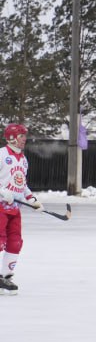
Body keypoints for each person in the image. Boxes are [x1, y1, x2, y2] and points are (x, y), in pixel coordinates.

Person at [0, 123, 43, 294]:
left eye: (24, 136)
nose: (24, 139)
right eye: (21, 136)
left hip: (15, 208)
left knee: (15, 242)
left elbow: (22, 184)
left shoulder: (23, 159)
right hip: (0, 207)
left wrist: (32, 199)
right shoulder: (1, 154)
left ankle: (5, 277)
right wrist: (3, 192)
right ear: (11, 137)